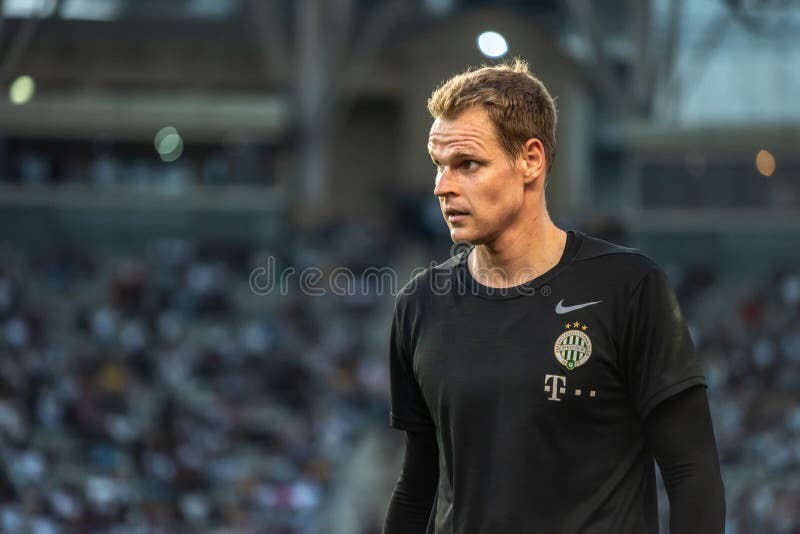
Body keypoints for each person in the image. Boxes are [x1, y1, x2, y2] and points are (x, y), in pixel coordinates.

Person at [382, 59, 725, 534]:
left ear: (531, 160)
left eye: (468, 164)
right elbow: (415, 487)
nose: (443, 186)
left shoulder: (629, 287)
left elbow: (692, 474)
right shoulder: (419, 304)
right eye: (439, 166)